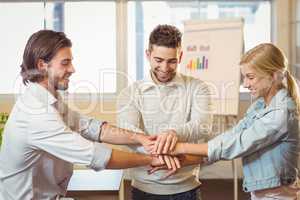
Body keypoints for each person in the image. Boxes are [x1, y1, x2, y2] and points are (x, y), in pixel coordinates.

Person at [0, 30, 177, 200]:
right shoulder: (36, 114)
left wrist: (141, 139)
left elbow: (90, 127)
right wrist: (150, 159)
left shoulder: (50, 101)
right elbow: (95, 156)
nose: (72, 69)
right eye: (65, 62)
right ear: (42, 65)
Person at [165, 43, 300, 199]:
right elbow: (233, 136)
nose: (245, 84)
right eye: (244, 77)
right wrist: (187, 158)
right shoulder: (260, 105)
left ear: (274, 76)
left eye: (250, 77)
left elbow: (237, 143)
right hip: (265, 194)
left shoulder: (280, 114)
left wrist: (181, 147)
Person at [117, 24, 213, 200]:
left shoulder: (198, 87)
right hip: (144, 188)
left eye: (172, 61)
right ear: (148, 55)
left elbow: (203, 126)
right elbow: (128, 134)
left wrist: (173, 134)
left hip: (187, 188)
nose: (165, 67)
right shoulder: (130, 93)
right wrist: (164, 153)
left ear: (181, 56)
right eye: (158, 60)